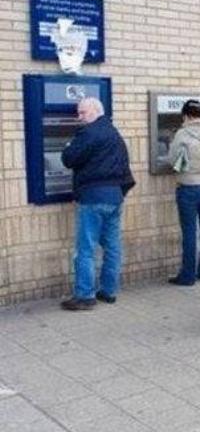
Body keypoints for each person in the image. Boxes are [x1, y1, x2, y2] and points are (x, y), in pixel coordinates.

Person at [60, 97, 135, 310]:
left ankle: (85, 296)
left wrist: (68, 146)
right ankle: (109, 292)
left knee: (85, 248)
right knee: (112, 246)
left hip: (93, 197)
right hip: (114, 197)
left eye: (82, 112)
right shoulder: (114, 133)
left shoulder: (89, 133)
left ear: (95, 111)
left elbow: (68, 159)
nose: (79, 117)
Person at [167, 100, 200, 286]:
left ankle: (187, 276)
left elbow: (173, 160)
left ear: (186, 115)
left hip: (188, 187)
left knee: (189, 232)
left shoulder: (182, 133)